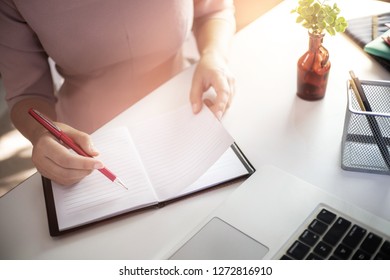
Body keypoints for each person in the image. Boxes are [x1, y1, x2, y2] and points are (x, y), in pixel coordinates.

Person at [0, 0, 236, 186]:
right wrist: (41, 132)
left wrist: (214, 55)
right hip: (88, 141)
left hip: (188, 107)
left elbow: (214, 10)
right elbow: (26, 93)